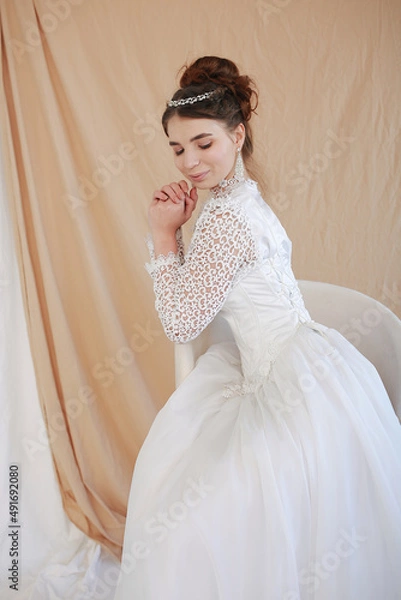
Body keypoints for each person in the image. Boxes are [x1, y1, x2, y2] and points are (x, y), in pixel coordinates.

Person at [113, 56, 401, 599]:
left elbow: (180, 321)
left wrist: (162, 235)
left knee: (192, 511)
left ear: (237, 134)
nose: (190, 162)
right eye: (177, 149)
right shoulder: (244, 198)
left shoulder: (224, 220)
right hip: (316, 363)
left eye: (204, 143)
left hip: (287, 380)